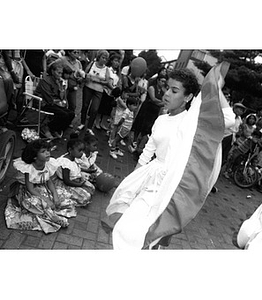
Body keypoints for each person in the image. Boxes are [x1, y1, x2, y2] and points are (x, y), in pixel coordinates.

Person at [105, 64, 235, 249]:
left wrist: (214, 85)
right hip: (150, 181)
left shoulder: (193, 125)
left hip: (172, 186)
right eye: (167, 88)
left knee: (151, 236)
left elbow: (229, 118)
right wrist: (132, 184)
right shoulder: (161, 119)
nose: (166, 94)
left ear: (188, 97)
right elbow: (146, 155)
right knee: (128, 229)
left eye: (174, 91)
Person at [5, 139, 77, 233]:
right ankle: (53, 217)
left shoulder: (48, 163)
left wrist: (55, 196)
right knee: (37, 203)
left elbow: (49, 181)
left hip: (41, 186)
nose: (47, 153)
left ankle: (50, 211)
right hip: (27, 190)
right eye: (43, 151)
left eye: (48, 150)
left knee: (60, 196)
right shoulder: (29, 168)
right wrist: (45, 199)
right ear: (35, 157)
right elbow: (30, 188)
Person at [34, 61, 75, 138]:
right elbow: (48, 98)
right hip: (44, 102)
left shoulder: (58, 81)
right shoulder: (45, 80)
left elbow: (60, 96)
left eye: (61, 73)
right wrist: (59, 102)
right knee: (64, 114)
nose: (60, 75)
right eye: (58, 73)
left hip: (53, 102)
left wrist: (61, 89)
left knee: (71, 114)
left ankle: (55, 128)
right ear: (52, 71)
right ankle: (47, 127)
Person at [129, 74, 167, 154]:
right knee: (140, 125)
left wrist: (160, 102)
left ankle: (140, 146)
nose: (163, 83)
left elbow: (164, 101)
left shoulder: (163, 91)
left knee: (148, 129)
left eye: (164, 82)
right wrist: (160, 102)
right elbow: (153, 99)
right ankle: (134, 143)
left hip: (154, 112)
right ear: (158, 80)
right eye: (162, 81)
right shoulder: (152, 87)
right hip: (147, 109)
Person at [54, 135, 95, 206]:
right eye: (80, 150)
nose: (82, 153)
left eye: (83, 150)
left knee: (92, 188)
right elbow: (66, 181)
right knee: (86, 197)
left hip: (75, 180)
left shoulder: (74, 157)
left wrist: (87, 171)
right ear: (70, 150)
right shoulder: (65, 163)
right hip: (66, 184)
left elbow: (76, 168)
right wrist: (79, 185)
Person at [78, 50, 110, 135]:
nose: (104, 60)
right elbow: (85, 73)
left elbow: (107, 81)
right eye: (103, 57)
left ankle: (89, 127)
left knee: (94, 109)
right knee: (85, 105)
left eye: (106, 59)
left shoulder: (106, 69)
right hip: (88, 87)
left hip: (99, 91)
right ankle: (82, 123)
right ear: (99, 57)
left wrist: (97, 80)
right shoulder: (92, 64)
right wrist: (86, 77)